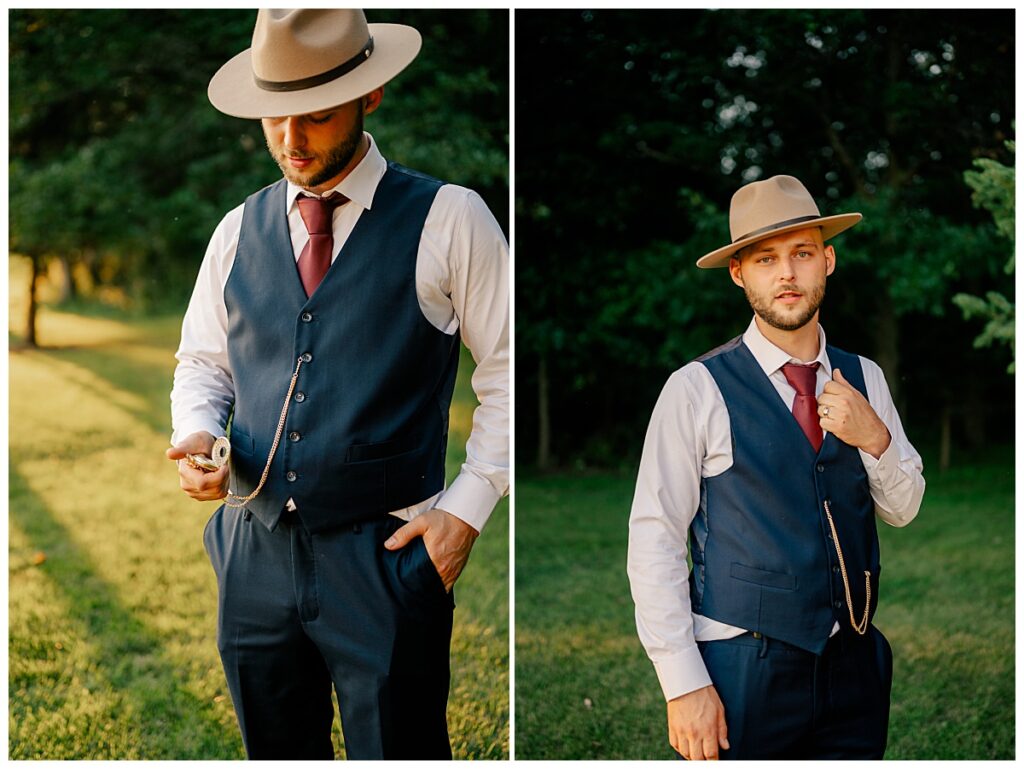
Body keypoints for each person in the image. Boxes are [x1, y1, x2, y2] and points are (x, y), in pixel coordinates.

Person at [165, 9, 508, 760]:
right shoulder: (235, 230)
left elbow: (506, 371)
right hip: (252, 550)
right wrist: (196, 433)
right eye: (274, 118)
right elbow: (203, 366)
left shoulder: (451, 219)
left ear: (371, 93)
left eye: (316, 116)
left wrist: (466, 511)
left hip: (388, 555)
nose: (292, 140)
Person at [627, 174, 924, 760]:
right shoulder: (695, 389)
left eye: (802, 254)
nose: (786, 274)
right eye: (766, 260)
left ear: (828, 261)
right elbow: (654, 538)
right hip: (745, 666)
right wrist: (684, 684)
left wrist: (876, 439)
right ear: (739, 273)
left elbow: (903, 508)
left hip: (855, 659)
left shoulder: (865, 377)